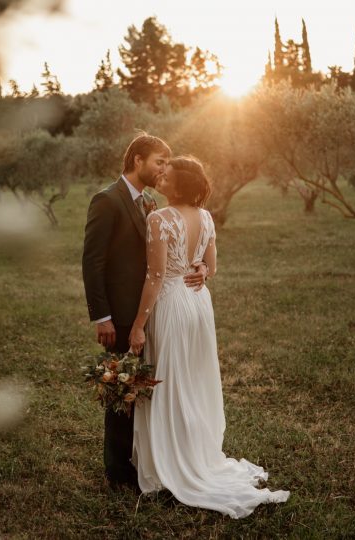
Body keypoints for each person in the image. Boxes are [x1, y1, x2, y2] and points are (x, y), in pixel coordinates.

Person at [128, 156, 290, 518]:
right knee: (193, 379)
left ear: (178, 186)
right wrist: (199, 267)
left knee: (167, 382)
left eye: (166, 176)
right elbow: (211, 268)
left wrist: (138, 324)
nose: (161, 176)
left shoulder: (160, 219)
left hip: (171, 302)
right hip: (198, 303)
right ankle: (195, 454)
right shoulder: (206, 217)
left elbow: (155, 277)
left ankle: (171, 463)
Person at [82, 134, 208, 491]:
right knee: (122, 390)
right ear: (137, 160)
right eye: (158, 162)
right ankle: (116, 471)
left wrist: (199, 266)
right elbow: (92, 262)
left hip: (154, 310)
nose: (163, 169)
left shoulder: (151, 203)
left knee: (146, 388)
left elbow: (165, 256)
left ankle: (143, 460)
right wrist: (101, 316)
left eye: (167, 164)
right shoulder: (107, 200)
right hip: (119, 314)